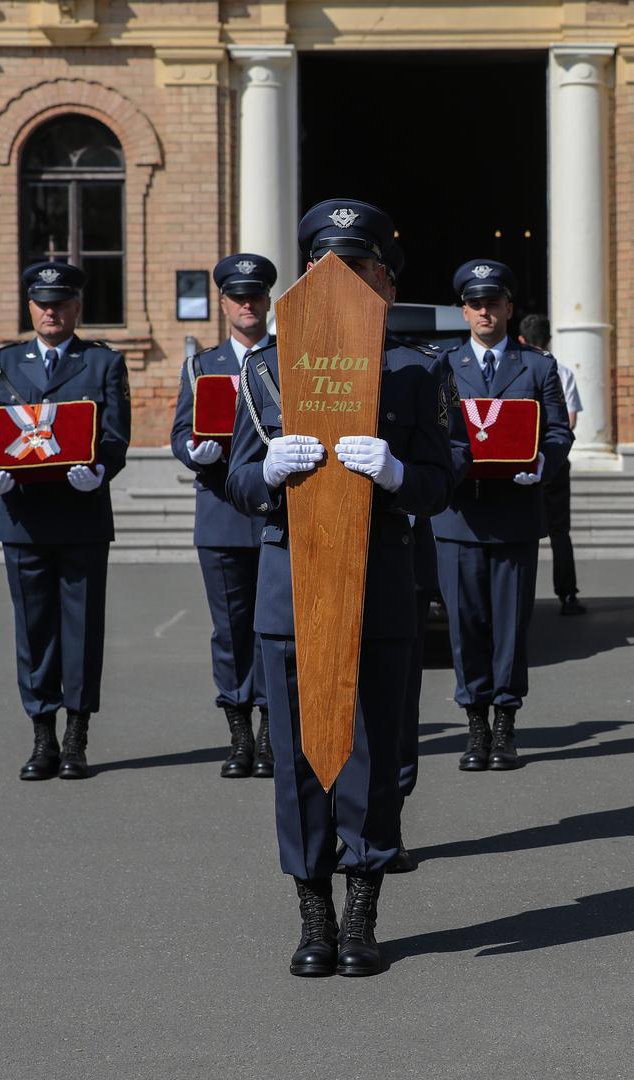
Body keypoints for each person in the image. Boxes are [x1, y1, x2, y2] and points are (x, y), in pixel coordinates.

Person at [226, 199, 455, 977]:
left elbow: (441, 478)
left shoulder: (418, 369)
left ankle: (362, 910)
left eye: (357, 267)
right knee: (294, 759)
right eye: (327, 266)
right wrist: (267, 473)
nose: (343, 279)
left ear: (382, 280)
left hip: (379, 580)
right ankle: (312, 911)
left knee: (369, 752)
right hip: (291, 587)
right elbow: (234, 475)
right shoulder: (263, 367)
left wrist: (394, 474)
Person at [0, 261, 131, 781]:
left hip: (81, 513)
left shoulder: (101, 363)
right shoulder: (4, 363)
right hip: (22, 517)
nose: (51, 311)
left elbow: (114, 435)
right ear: (30, 308)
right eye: (42, 303)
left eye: (61, 303)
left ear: (76, 308)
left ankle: (77, 737)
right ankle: (42, 735)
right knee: (34, 630)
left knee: (82, 628)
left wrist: (101, 470)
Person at [433, 260, 573, 773]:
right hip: (460, 516)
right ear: (464, 311)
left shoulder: (537, 367)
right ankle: (475, 723)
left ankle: (507, 722)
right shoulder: (443, 367)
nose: (485, 311)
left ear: (509, 308)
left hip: (515, 512)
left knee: (511, 625)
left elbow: (558, 432)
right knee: (465, 624)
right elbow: (433, 435)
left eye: (494, 302)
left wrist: (542, 461)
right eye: (476, 304)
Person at [379, 235, 472, 873]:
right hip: (311, 563)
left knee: (396, 700)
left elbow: (451, 455)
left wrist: (401, 479)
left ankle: (390, 814)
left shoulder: (419, 366)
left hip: (399, 554)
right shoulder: (280, 363)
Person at [170, 253, 275, 779]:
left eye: (256, 294)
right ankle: (238, 732)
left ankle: (272, 730)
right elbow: (180, 433)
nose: (248, 303)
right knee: (230, 629)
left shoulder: (288, 362)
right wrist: (196, 451)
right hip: (221, 514)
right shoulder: (203, 366)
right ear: (225, 303)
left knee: (276, 627)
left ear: (269, 300)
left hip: (280, 513)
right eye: (238, 296)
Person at [518, 313, 586, 616]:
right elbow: (569, 421)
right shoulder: (564, 371)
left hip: (521, 457)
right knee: (559, 530)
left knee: (520, 528)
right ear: (549, 340)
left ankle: (520, 597)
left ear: (520, 340)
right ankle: (567, 594)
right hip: (555, 459)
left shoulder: (518, 368)